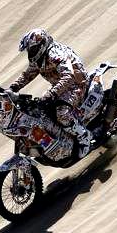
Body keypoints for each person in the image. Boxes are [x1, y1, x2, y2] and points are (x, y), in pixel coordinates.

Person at [8, 28, 93, 158]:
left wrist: (52, 94)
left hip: (77, 83)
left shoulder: (54, 54)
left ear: (41, 45)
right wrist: (13, 88)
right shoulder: (39, 59)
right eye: (29, 50)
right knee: (41, 110)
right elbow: (27, 75)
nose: (31, 53)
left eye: (33, 49)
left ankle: (83, 136)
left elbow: (68, 76)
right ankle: (59, 140)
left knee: (62, 113)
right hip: (62, 87)